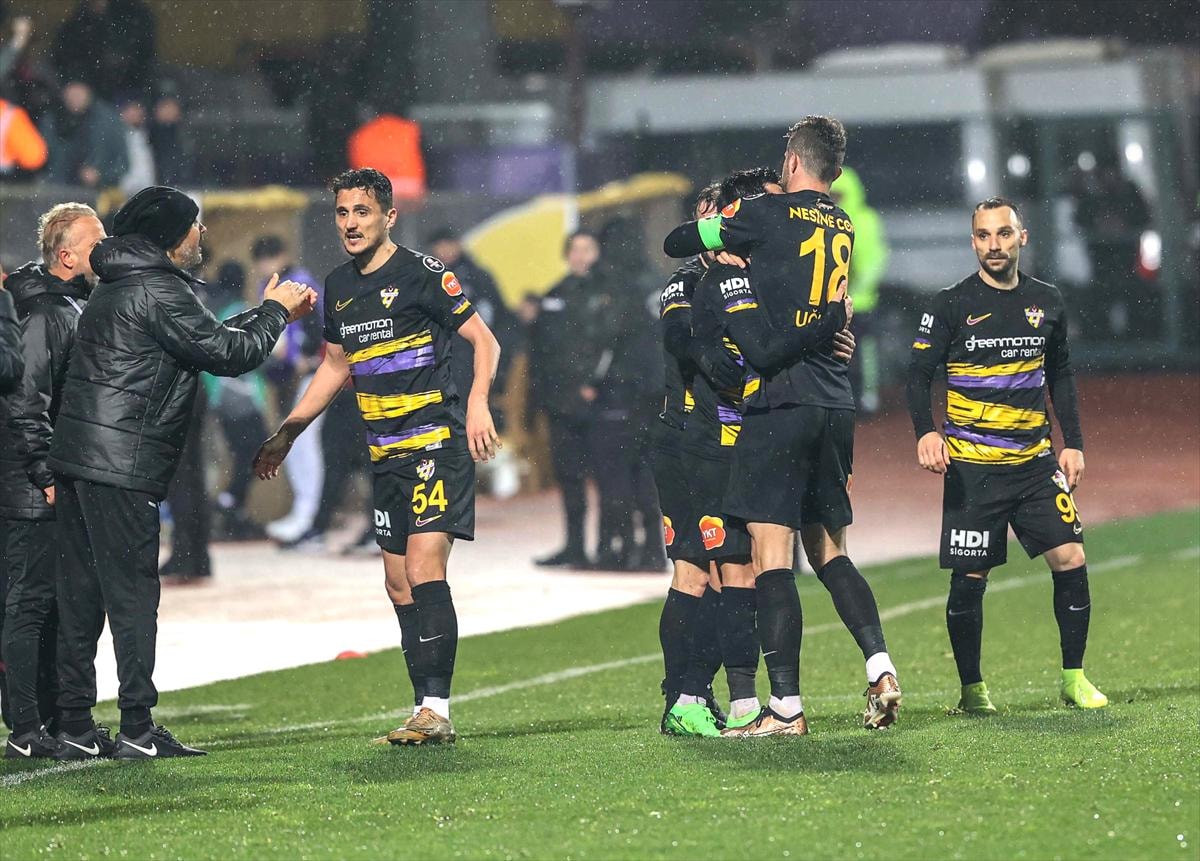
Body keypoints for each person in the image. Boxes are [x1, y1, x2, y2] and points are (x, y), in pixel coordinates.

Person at [47, 185, 316, 760]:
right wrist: (277, 312)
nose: (202, 234)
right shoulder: (158, 287)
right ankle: (137, 729)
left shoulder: (122, 282)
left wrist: (266, 311)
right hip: (121, 464)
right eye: (194, 224)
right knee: (132, 599)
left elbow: (207, 337)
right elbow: (230, 354)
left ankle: (72, 724)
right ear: (171, 235)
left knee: (82, 595)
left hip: (78, 459)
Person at [663, 117, 902, 735]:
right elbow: (807, 298)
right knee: (829, 551)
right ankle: (880, 666)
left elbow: (678, 239)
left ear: (792, 162)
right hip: (835, 403)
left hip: (781, 406)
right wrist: (831, 325)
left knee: (771, 556)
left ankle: (784, 707)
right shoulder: (842, 223)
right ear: (835, 172)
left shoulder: (763, 217)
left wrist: (719, 229)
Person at [254, 168, 501, 746]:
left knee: (423, 569)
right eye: (342, 213)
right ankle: (422, 708)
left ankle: (437, 709)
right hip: (385, 454)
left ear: (389, 217)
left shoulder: (423, 274)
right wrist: (288, 431)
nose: (350, 223)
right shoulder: (339, 286)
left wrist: (478, 404)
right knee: (397, 585)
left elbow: (483, 340)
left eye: (362, 212)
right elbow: (335, 367)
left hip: (434, 445)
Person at [907, 197, 1106, 714]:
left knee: (1072, 557)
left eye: (1003, 233)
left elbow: (1060, 373)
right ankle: (973, 690)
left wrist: (1074, 441)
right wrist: (925, 432)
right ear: (973, 241)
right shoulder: (950, 305)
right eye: (983, 235)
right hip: (973, 471)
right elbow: (917, 375)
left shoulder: (1047, 300)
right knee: (970, 579)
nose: (994, 245)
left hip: (1037, 464)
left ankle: (1074, 678)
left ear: (1022, 237)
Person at [1, 204, 104, 760]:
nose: (104, 252)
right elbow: (27, 398)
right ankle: (24, 728)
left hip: (48, 477)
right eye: (95, 244)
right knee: (30, 604)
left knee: (55, 605)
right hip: (32, 485)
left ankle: (51, 720)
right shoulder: (44, 312)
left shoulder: (64, 303)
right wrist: (43, 470)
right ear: (66, 256)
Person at [527, 231, 607, 568]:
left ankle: (610, 547)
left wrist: (593, 382)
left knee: (609, 478)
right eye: (574, 249)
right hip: (562, 403)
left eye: (587, 249)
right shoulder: (554, 294)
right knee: (570, 478)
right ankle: (575, 546)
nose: (580, 255)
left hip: (600, 401)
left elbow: (608, 344)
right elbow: (540, 352)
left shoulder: (608, 292)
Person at [249, 235, 325, 546]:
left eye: (269, 259)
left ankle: (311, 515)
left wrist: (309, 357)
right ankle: (302, 511)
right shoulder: (267, 286)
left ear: (281, 256)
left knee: (306, 446)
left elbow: (318, 324)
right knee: (290, 447)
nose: (265, 266)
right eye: (261, 262)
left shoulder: (300, 281)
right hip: (284, 377)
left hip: (309, 374)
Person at [204, 261, 271, 541]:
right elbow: (250, 352)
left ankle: (234, 509)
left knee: (242, 453)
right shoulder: (239, 309)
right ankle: (229, 501)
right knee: (258, 451)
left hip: (219, 395)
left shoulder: (211, 308)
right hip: (239, 395)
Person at [830, 166, 888, 414]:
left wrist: (858, 285)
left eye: (839, 195)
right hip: (834, 301)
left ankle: (867, 397)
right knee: (837, 351)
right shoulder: (828, 219)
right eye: (831, 194)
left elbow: (875, 260)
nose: (834, 199)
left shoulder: (865, 220)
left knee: (864, 352)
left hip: (861, 301)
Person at [43, 81, 128, 189]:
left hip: (101, 192)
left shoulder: (108, 121)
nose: (74, 98)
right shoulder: (52, 120)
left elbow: (123, 163)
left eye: (78, 93)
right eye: (70, 94)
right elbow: (46, 157)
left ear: (88, 92)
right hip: (60, 189)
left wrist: (100, 175)